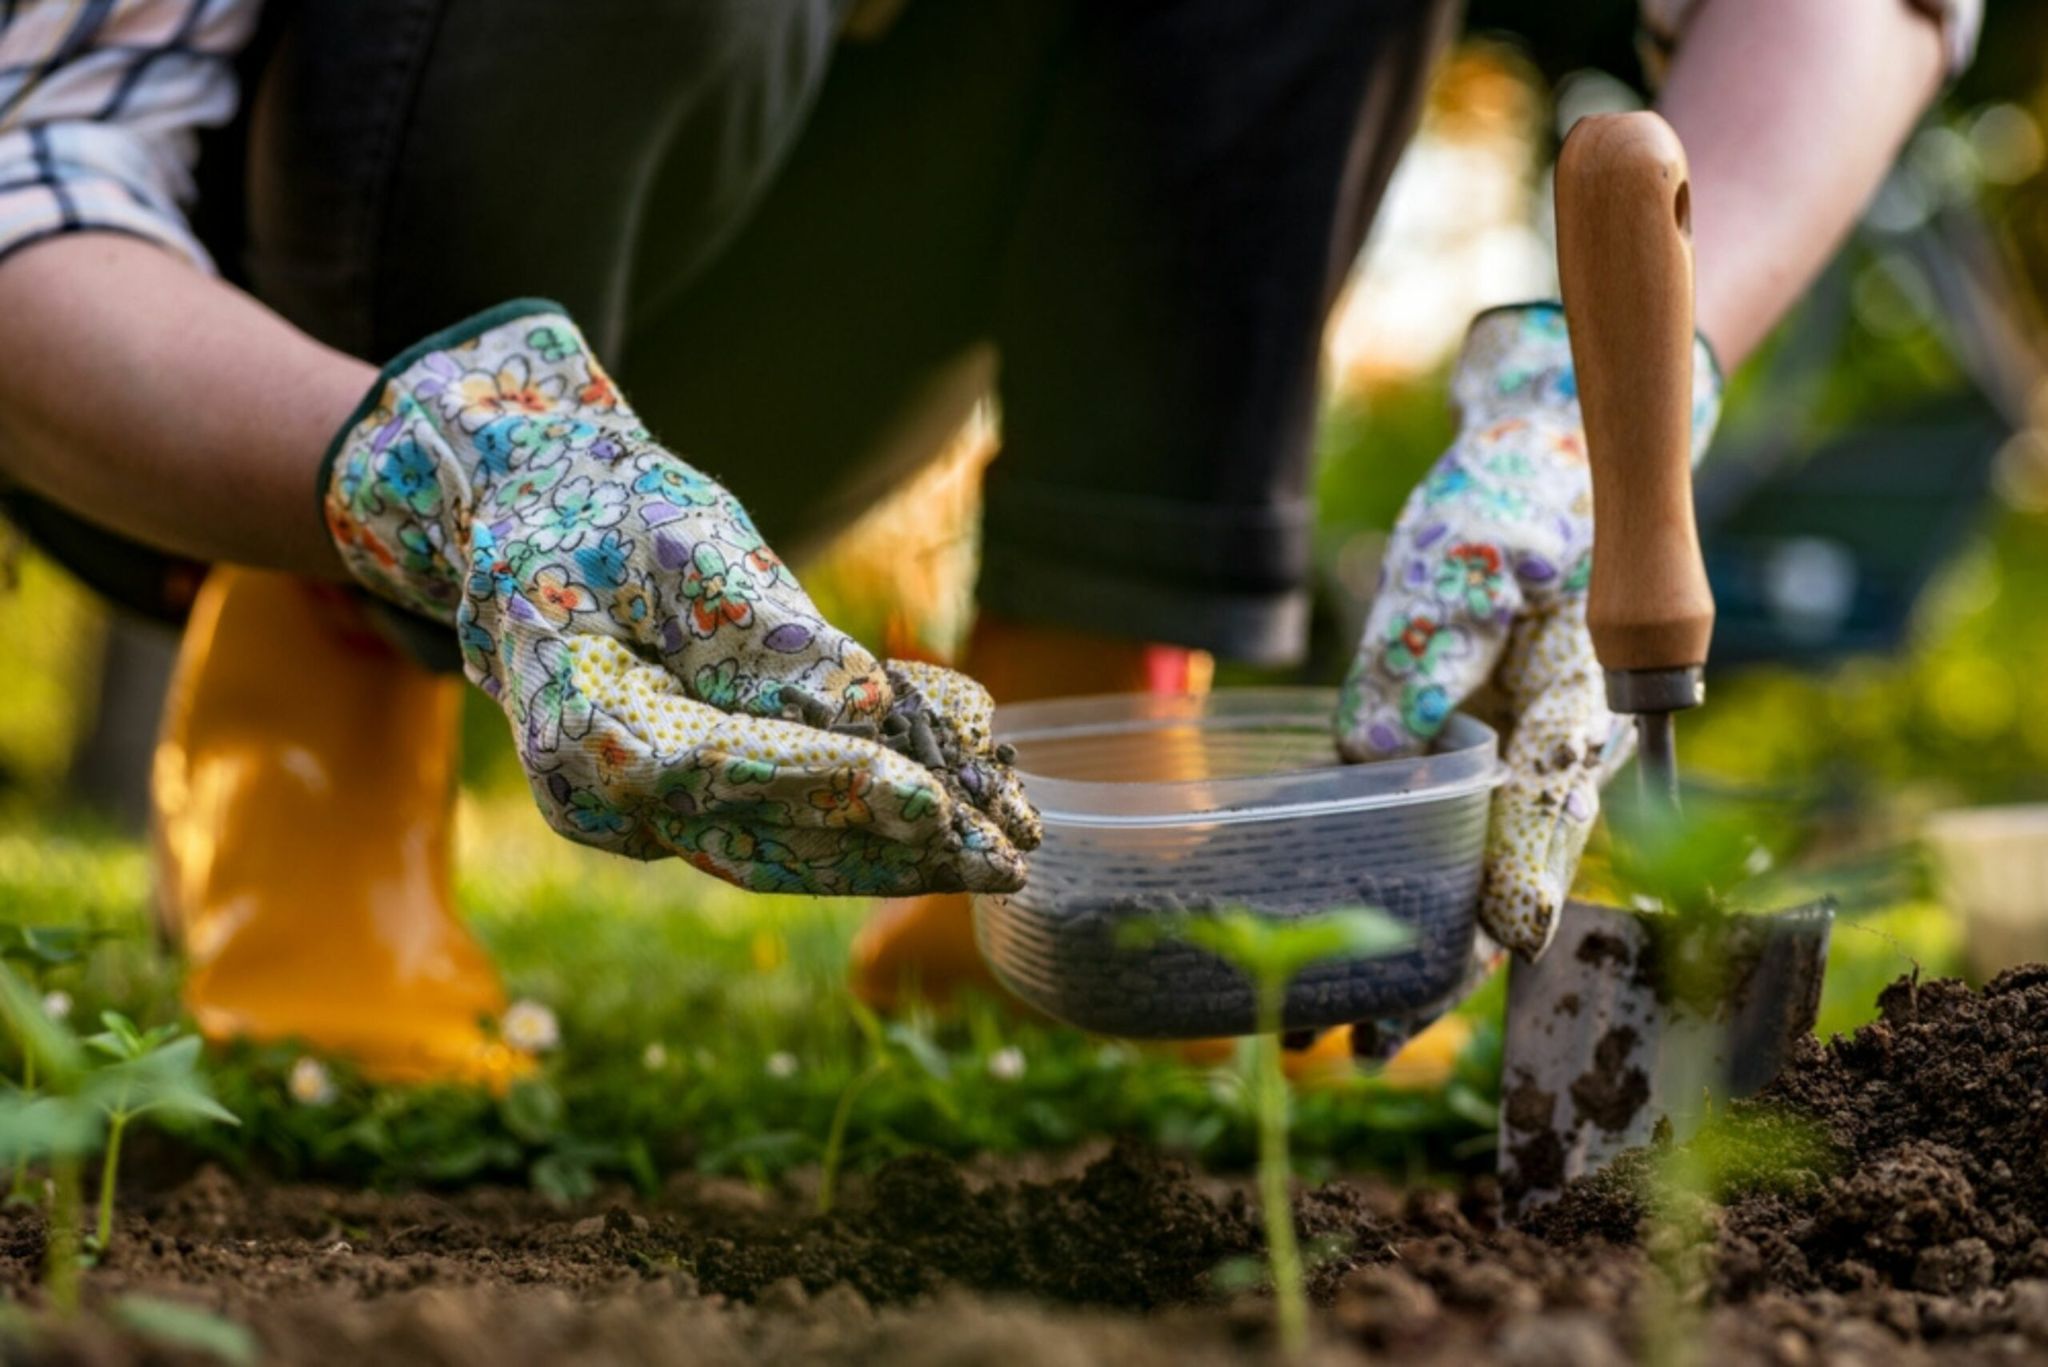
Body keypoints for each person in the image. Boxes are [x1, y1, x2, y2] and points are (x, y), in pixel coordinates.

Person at [0, 0, 1974, 1081]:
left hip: (801, 337)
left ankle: (1074, 773)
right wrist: (447, 473)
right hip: (248, 367)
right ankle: (312, 742)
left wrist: (1607, 404)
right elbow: (32, 169)